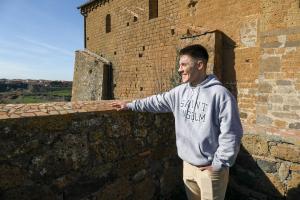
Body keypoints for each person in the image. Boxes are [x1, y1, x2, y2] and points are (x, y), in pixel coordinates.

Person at [111, 44, 243, 200]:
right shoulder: (180, 91)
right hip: (187, 165)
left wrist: (219, 164)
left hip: (210, 170)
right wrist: (130, 105)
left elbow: (232, 133)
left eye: (184, 65)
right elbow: (156, 102)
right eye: (179, 65)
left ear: (200, 65)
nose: (179, 69)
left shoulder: (220, 95)